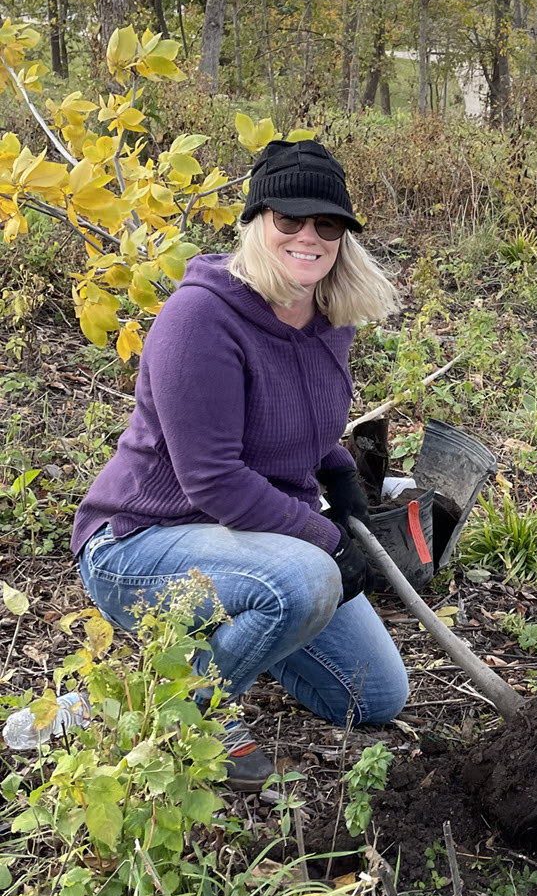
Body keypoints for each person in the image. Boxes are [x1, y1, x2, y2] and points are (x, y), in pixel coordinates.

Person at [71, 139, 409, 789]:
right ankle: (188, 712)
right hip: (143, 542)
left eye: (328, 223)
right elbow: (213, 478)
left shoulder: (329, 318)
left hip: (247, 543)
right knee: (309, 580)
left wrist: (338, 473)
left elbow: (299, 429)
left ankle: (253, 628)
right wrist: (328, 539)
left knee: (374, 698)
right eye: (290, 219)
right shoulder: (200, 318)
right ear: (257, 222)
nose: (309, 236)